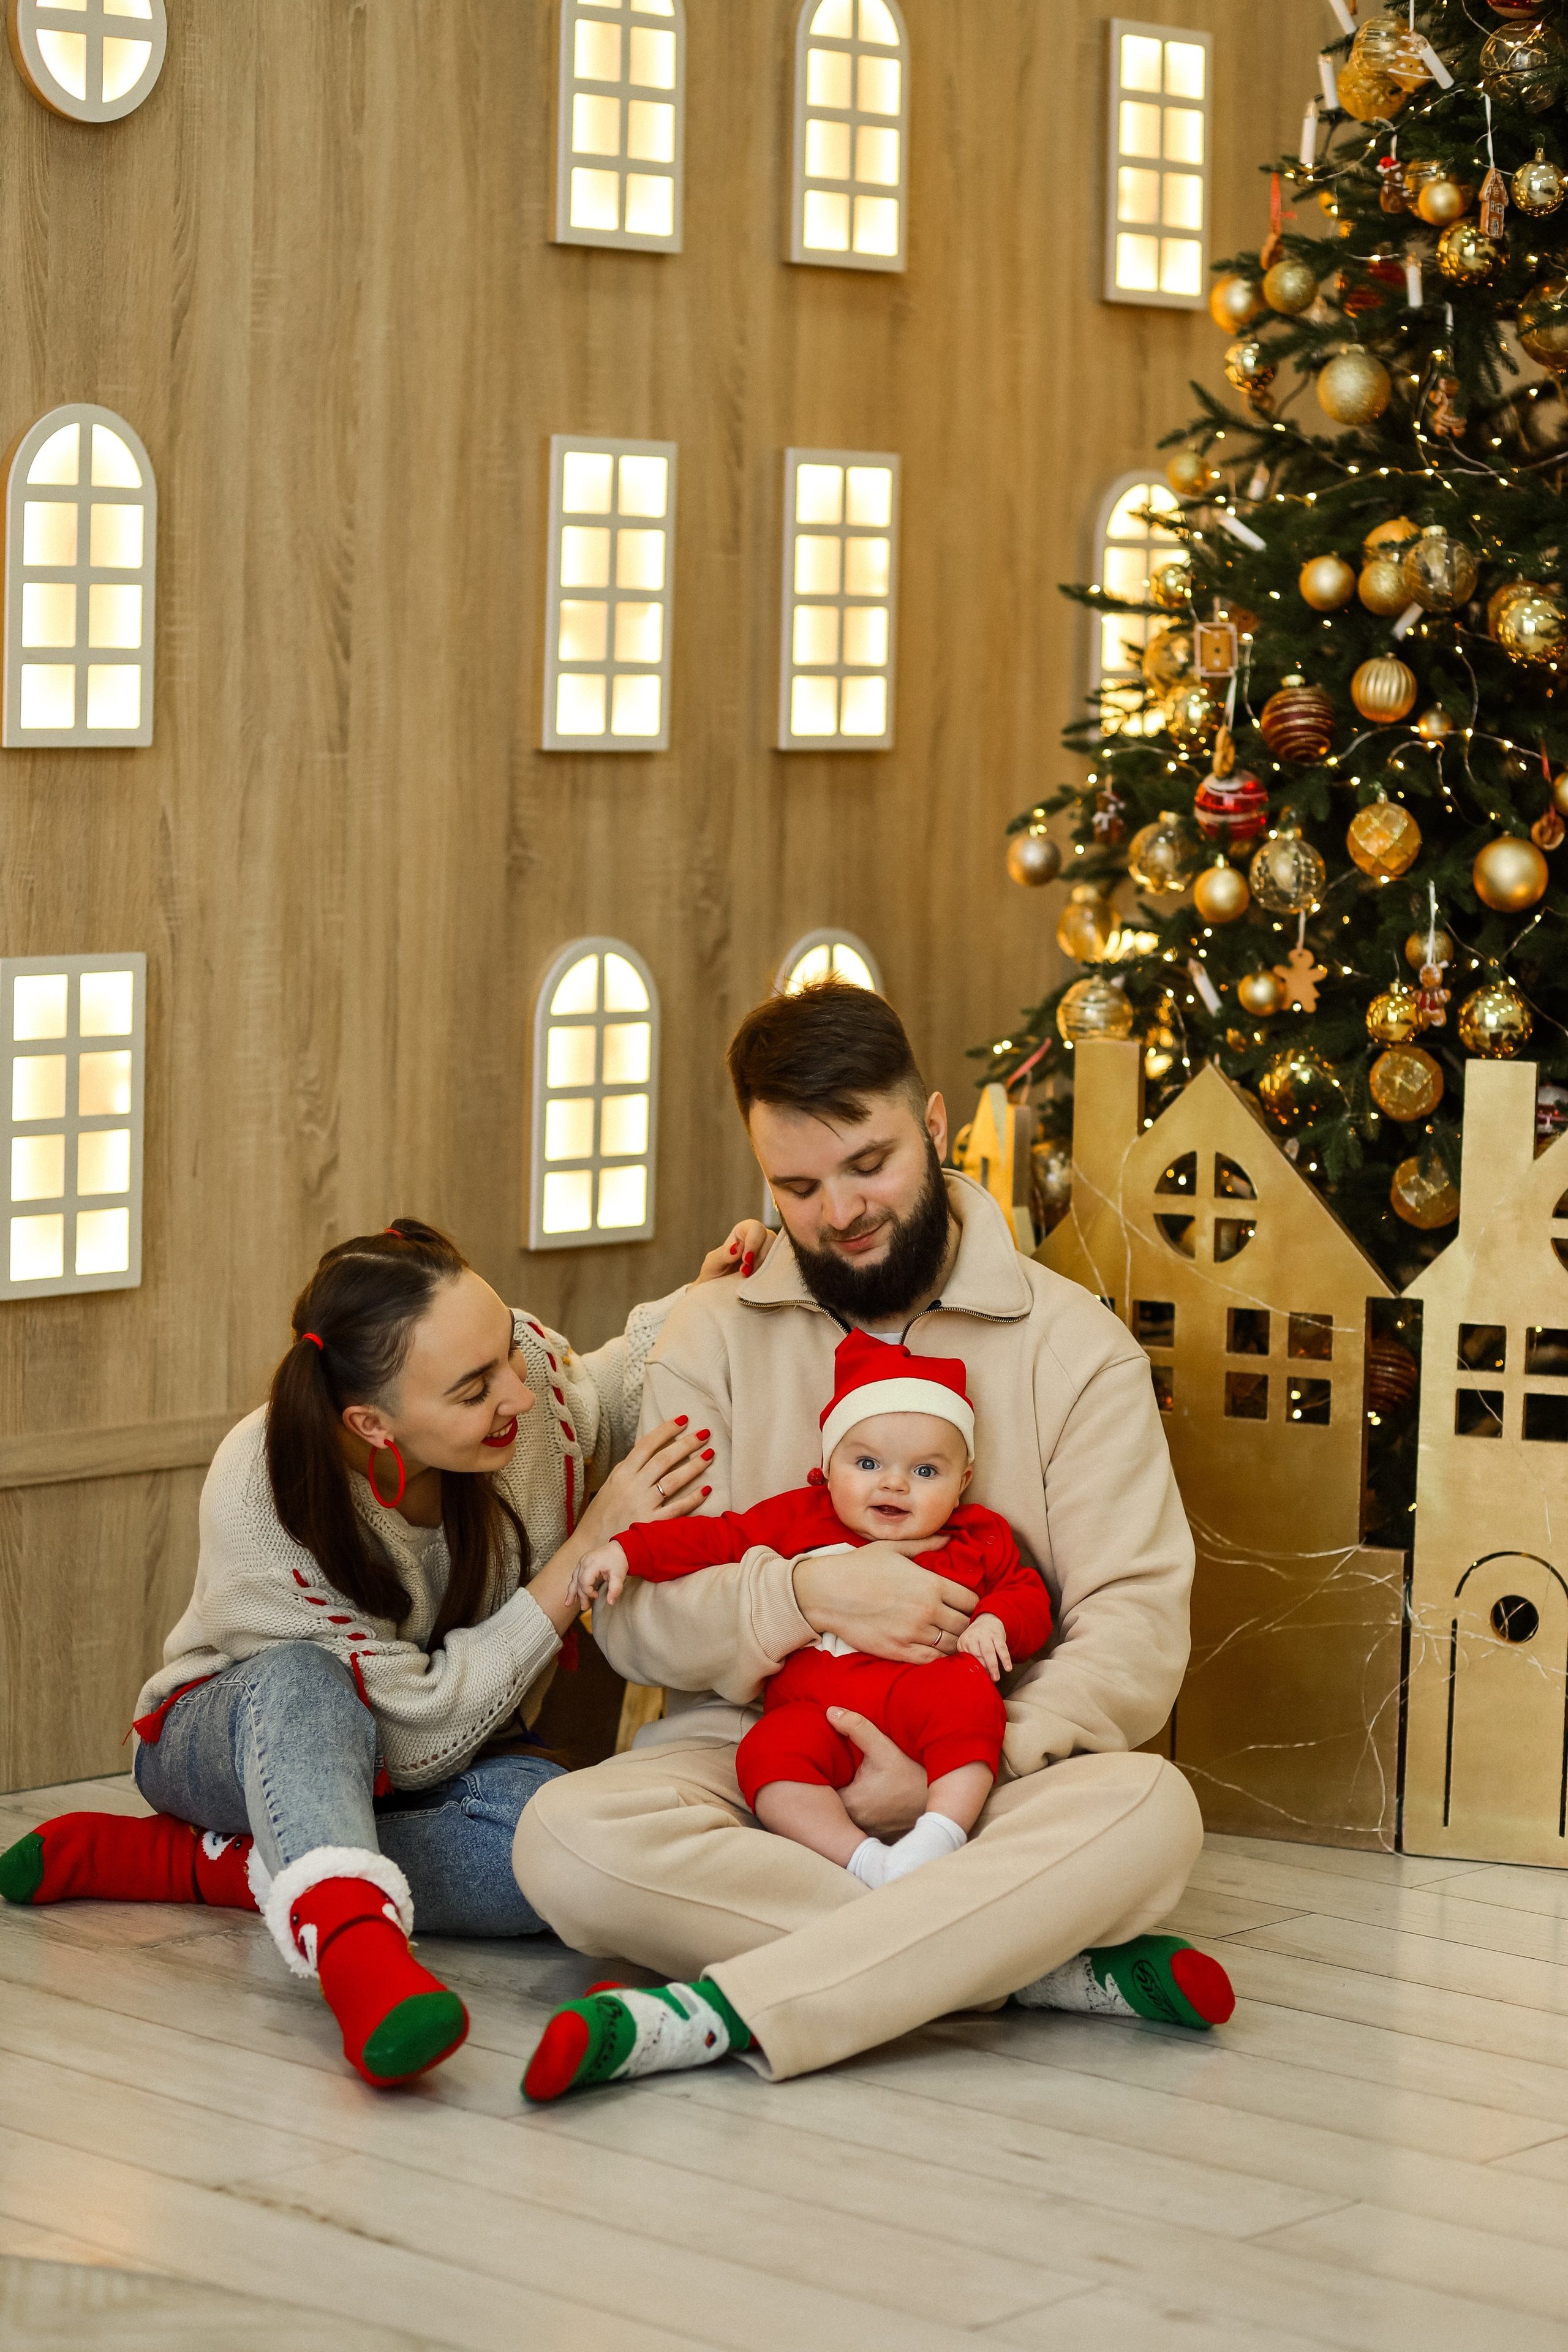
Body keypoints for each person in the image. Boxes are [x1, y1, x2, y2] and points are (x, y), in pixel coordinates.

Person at [516, 982, 1232, 2105]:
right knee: (563, 1838)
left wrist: (961, 1765)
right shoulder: (710, 1335)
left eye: (870, 1164)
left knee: (1151, 1813)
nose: (839, 1211)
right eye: (796, 1186)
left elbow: (1133, 1634)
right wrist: (804, 1597)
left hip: (983, 1771)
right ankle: (1018, 1958)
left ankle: (713, 2013)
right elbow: (641, 1618)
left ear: (936, 1127)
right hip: (763, 1758)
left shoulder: (1077, 1352)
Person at [0, 1215, 760, 2090]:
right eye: (475, 1389)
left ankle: (216, 1865)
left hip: (446, 1762)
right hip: (235, 1739)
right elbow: (400, 1738)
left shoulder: (527, 1398)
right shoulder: (262, 1492)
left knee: (566, 1851)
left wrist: (700, 1308)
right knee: (305, 1680)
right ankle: (361, 1963)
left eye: (510, 1351)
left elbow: (604, 1389)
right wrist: (582, 1552)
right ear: (371, 1422)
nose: (517, 1394)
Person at [567, 1330, 1052, 1890]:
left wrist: (997, 1621)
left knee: (971, 1698)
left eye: (926, 1472)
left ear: (962, 1481)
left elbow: (1025, 1594)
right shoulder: (801, 1519)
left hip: (922, 1698)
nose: (894, 1483)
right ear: (827, 1462)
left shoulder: (977, 1535)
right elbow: (714, 1540)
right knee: (765, 1754)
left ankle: (940, 1833)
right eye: (867, 1463)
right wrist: (629, 1549)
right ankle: (866, 1863)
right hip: (815, 1710)